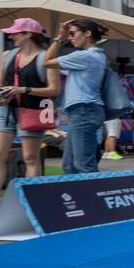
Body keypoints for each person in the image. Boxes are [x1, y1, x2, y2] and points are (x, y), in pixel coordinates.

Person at [0, 17, 61, 189]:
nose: (11, 37)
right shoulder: (7, 56)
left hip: (34, 110)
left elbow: (54, 90)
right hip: (6, 110)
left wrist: (24, 89)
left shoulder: (46, 59)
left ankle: (31, 200)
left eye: (14, 34)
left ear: (27, 34)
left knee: (30, 158)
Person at [42, 19, 108, 174]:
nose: (70, 38)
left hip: (84, 111)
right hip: (82, 111)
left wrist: (59, 37)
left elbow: (47, 61)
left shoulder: (86, 56)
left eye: (72, 34)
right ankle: (78, 197)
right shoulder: (95, 55)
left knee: (83, 165)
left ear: (87, 33)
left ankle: (93, 197)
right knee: (70, 165)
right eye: (68, 34)